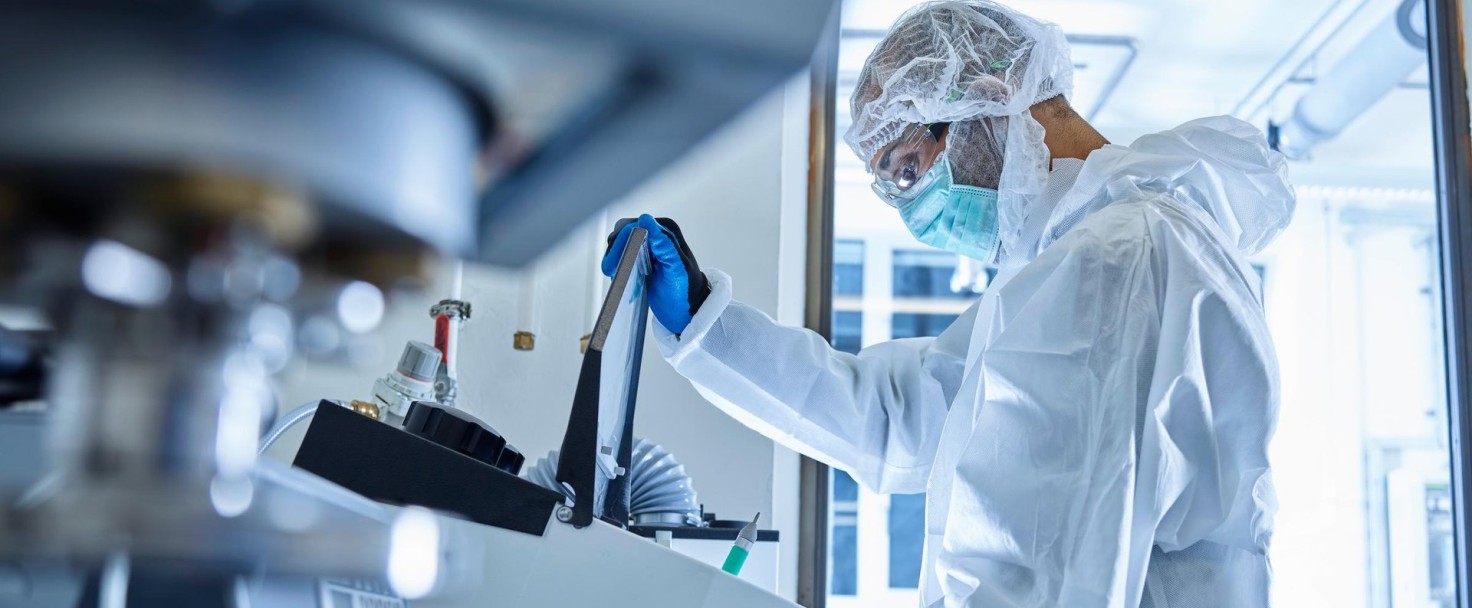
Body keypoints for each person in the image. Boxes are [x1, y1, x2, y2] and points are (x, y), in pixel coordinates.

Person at [604, 1, 1295, 605]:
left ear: (988, 97)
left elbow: (1042, 571)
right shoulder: (1078, 257)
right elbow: (903, 418)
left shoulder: (1118, 259)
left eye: (908, 169)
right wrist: (704, 322)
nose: (917, 211)